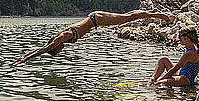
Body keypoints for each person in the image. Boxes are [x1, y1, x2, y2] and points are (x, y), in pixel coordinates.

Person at [13, 10, 173, 65]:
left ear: (56, 47)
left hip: (97, 19)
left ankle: (158, 15)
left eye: (57, 52)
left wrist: (25, 58)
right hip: (97, 20)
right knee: (127, 17)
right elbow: (45, 48)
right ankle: (153, 12)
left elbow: (43, 49)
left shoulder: (61, 38)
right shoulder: (61, 38)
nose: (60, 51)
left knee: (127, 18)